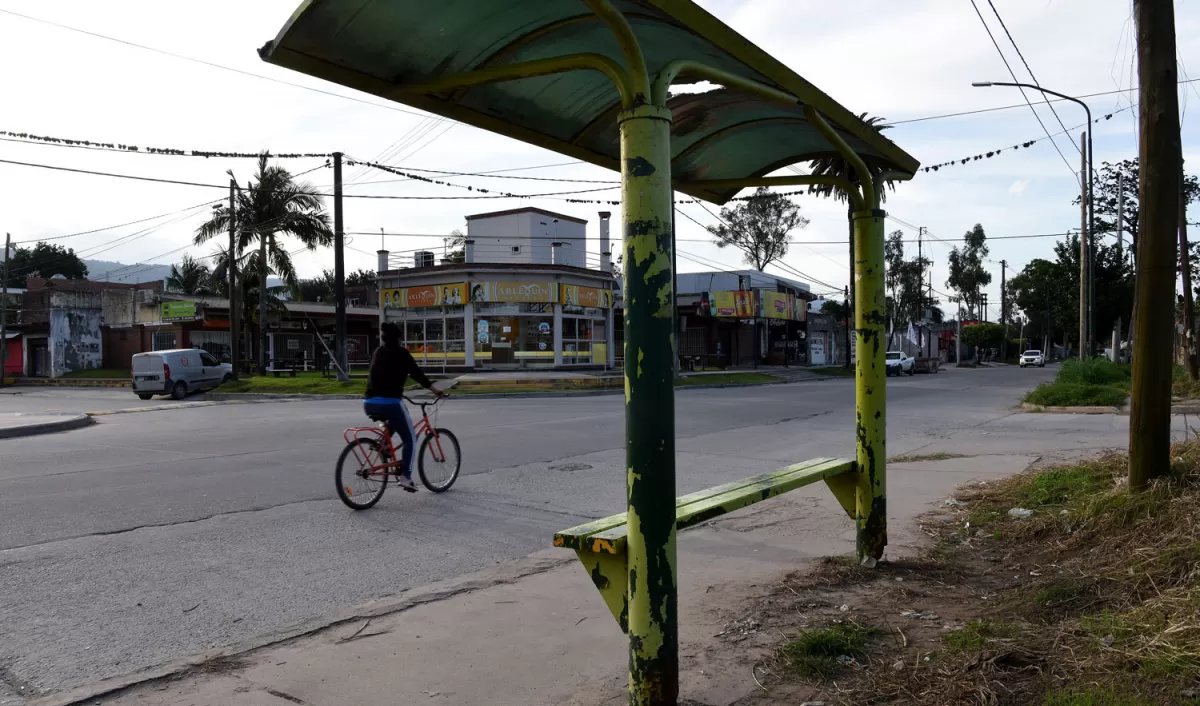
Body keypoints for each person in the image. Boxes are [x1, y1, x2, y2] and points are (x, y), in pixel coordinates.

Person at [364, 322, 443, 492]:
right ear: (398, 338)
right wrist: (434, 389)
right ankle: (406, 477)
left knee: (399, 415)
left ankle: (384, 444)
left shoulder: (378, 351)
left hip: (369, 402)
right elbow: (417, 374)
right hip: (390, 403)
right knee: (410, 439)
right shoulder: (401, 353)